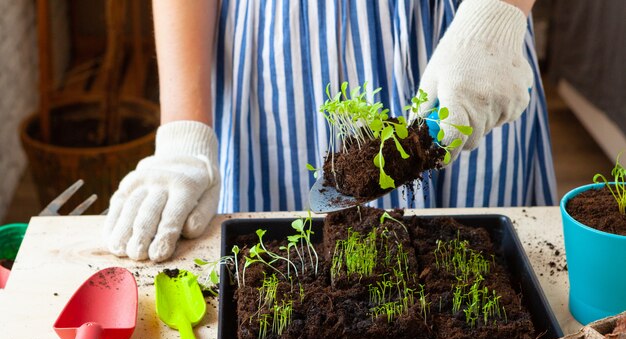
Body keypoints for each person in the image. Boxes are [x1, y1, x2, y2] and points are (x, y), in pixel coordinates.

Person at [103, 0, 556, 262]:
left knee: (476, 253)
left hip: (465, 36)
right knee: (285, 262)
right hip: (277, 52)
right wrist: (184, 131)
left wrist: (497, 17)